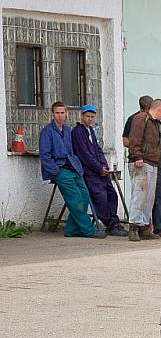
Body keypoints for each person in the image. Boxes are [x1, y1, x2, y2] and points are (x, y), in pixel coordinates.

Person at [38, 102, 105, 239]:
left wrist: (78, 167)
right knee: (75, 198)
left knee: (85, 195)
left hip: (73, 167)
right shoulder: (47, 131)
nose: (60, 116)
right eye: (57, 113)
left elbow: (74, 151)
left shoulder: (68, 130)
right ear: (52, 113)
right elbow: (45, 155)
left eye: (62, 113)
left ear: (67, 113)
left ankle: (71, 229)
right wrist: (56, 171)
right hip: (60, 169)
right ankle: (88, 230)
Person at [70, 104, 127, 237]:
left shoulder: (91, 131)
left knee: (112, 194)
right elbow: (84, 154)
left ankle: (114, 221)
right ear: (82, 116)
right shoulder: (78, 131)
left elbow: (98, 150)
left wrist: (104, 166)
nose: (90, 119)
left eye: (92, 116)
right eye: (87, 116)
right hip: (89, 171)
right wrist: (98, 168)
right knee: (99, 196)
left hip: (100, 170)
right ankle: (109, 224)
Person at [123, 94, 161, 236]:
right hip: (142, 162)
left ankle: (144, 226)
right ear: (159, 109)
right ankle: (134, 226)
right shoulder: (141, 119)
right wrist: (137, 156)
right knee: (139, 194)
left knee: (149, 197)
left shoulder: (154, 122)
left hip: (152, 162)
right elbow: (134, 139)